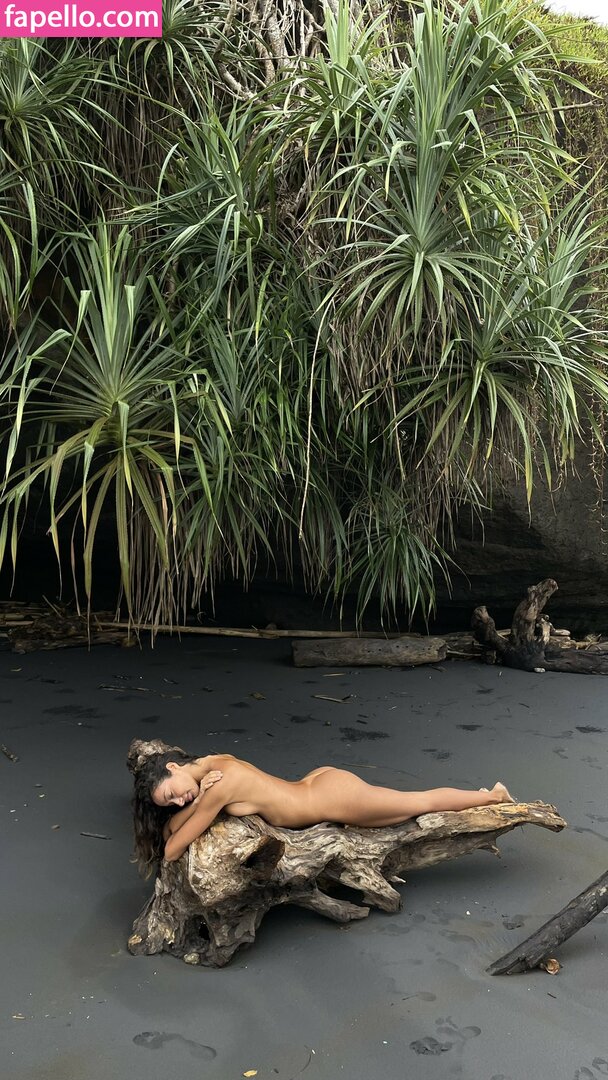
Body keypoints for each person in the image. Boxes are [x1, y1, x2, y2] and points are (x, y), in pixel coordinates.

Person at [132, 749, 514, 877]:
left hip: (333, 799)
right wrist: (196, 799)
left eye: (172, 793)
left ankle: (493, 796)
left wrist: (201, 802)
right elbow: (172, 832)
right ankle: (479, 796)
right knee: (409, 803)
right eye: (170, 804)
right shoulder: (211, 763)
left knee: (418, 803)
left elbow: (171, 848)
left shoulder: (219, 786)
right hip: (317, 783)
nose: (179, 801)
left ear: (173, 766)